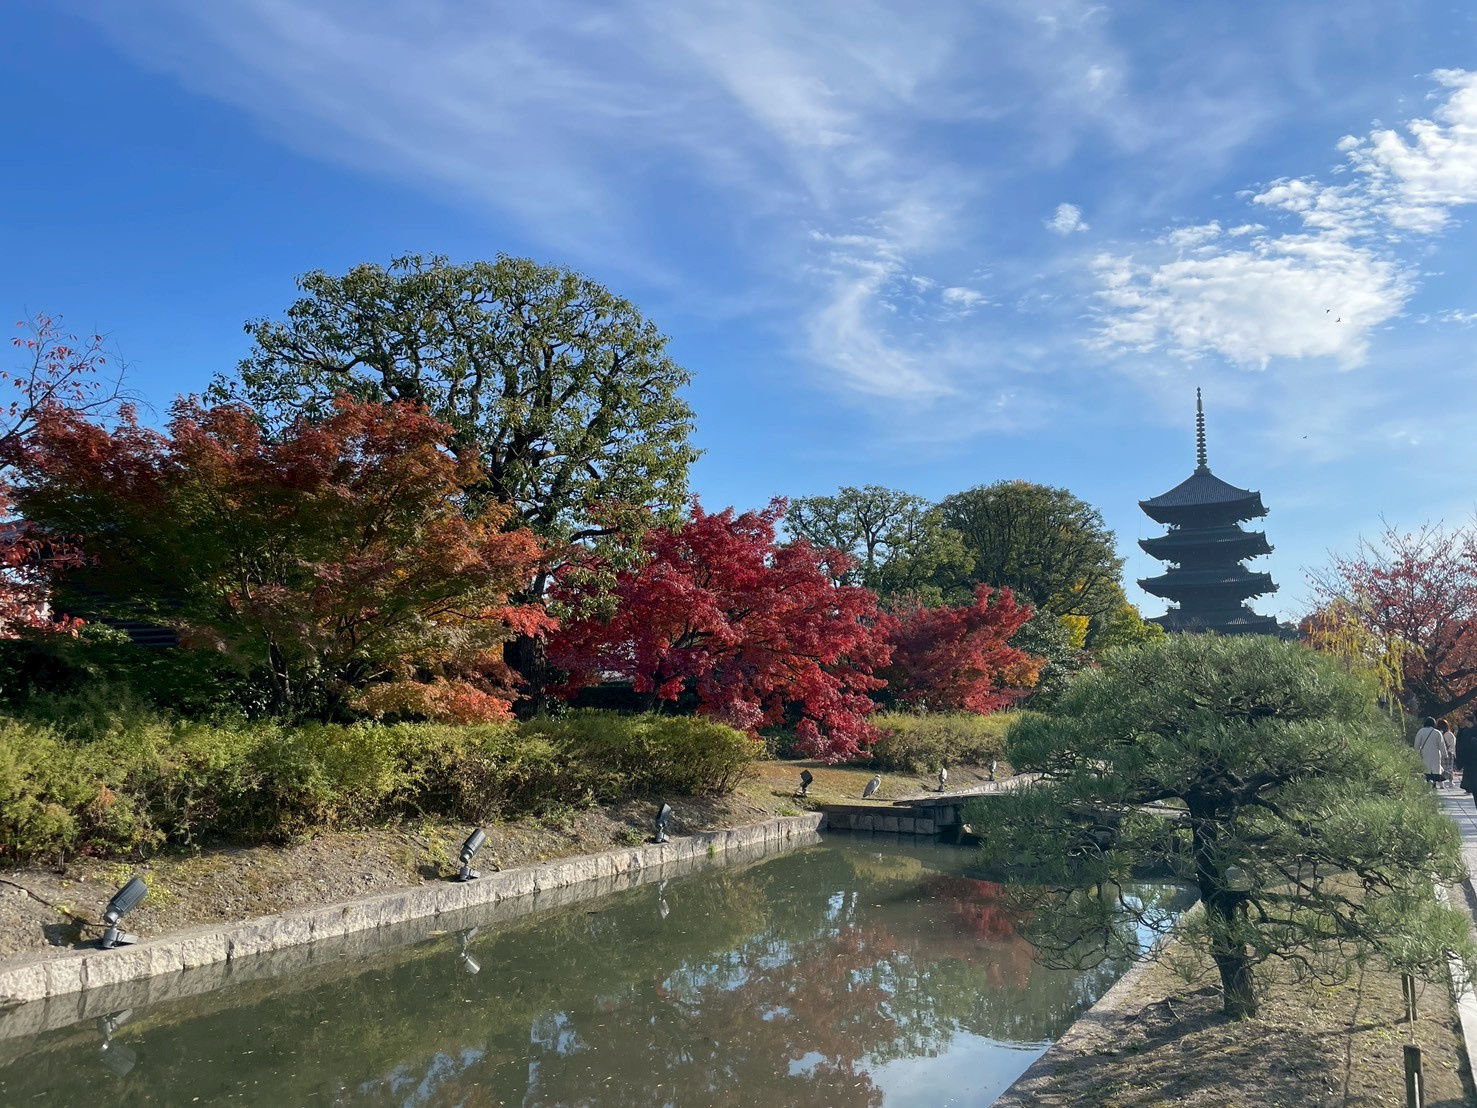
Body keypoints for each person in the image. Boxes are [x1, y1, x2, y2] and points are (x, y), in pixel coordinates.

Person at [1414, 717, 1448, 788]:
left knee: (1426, 768)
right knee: (1435, 769)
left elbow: (1417, 744)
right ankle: (1434, 783)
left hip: (1425, 753)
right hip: (1435, 753)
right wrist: (1444, 754)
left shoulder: (1421, 731)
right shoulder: (1437, 732)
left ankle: (1427, 782)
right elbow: (1442, 745)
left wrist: (1416, 752)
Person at [1440, 718, 1458, 787]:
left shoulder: (1439, 734)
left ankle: (1441, 783)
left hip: (1441, 753)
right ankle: (1451, 782)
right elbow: (1453, 744)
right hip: (1449, 753)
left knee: (1442, 768)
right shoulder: (1450, 734)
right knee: (1450, 768)